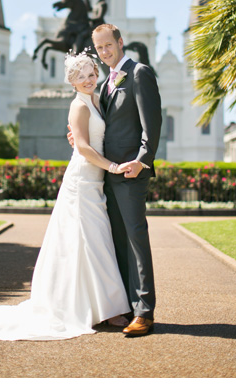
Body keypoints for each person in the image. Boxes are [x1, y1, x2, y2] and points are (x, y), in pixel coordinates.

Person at [0, 53, 133, 340]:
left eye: (91, 73)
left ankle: (98, 305)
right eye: (81, 76)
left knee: (91, 240)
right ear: (72, 81)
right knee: (90, 239)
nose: (88, 79)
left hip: (96, 181)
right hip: (83, 180)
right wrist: (112, 166)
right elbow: (84, 148)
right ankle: (105, 309)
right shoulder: (78, 106)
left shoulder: (96, 100)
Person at [88, 23, 162, 337]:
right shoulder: (106, 82)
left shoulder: (139, 73)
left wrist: (142, 162)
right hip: (108, 174)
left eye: (108, 45)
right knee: (116, 243)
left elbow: (152, 124)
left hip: (131, 173)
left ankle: (145, 311)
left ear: (120, 42)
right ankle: (125, 308)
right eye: (99, 48)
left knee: (136, 241)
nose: (105, 52)